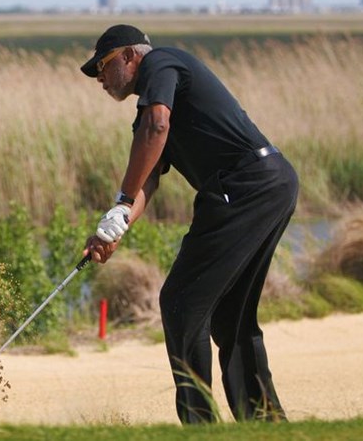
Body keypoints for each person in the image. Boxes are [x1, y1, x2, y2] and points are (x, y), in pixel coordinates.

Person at [80, 25, 298, 424]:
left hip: (245, 187)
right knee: (231, 317)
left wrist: (123, 202)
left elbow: (157, 127)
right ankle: (265, 423)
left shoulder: (161, 63)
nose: (100, 78)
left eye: (103, 66)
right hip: (270, 183)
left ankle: (200, 427)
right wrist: (116, 225)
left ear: (130, 56)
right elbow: (150, 176)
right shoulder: (148, 107)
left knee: (181, 303)